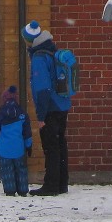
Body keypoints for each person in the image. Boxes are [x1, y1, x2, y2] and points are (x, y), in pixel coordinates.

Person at [22, 20, 71, 195]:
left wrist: (41, 116)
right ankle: (61, 183)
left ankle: (51, 185)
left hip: (50, 107)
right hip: (62, 104)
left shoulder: (39, 57)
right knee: (60, 144)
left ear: (29, 40)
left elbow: (42, 89)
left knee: (51, 147)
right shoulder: (51, 50)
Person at [0, 85, 33, 196]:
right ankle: (22, 190)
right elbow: (27, 132)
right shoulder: (22, 114)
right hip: (18, 148)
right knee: (21, 169)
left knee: (7, 170)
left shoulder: (0, 115)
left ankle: (10, 190)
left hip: (3, 149)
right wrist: (29, 145)